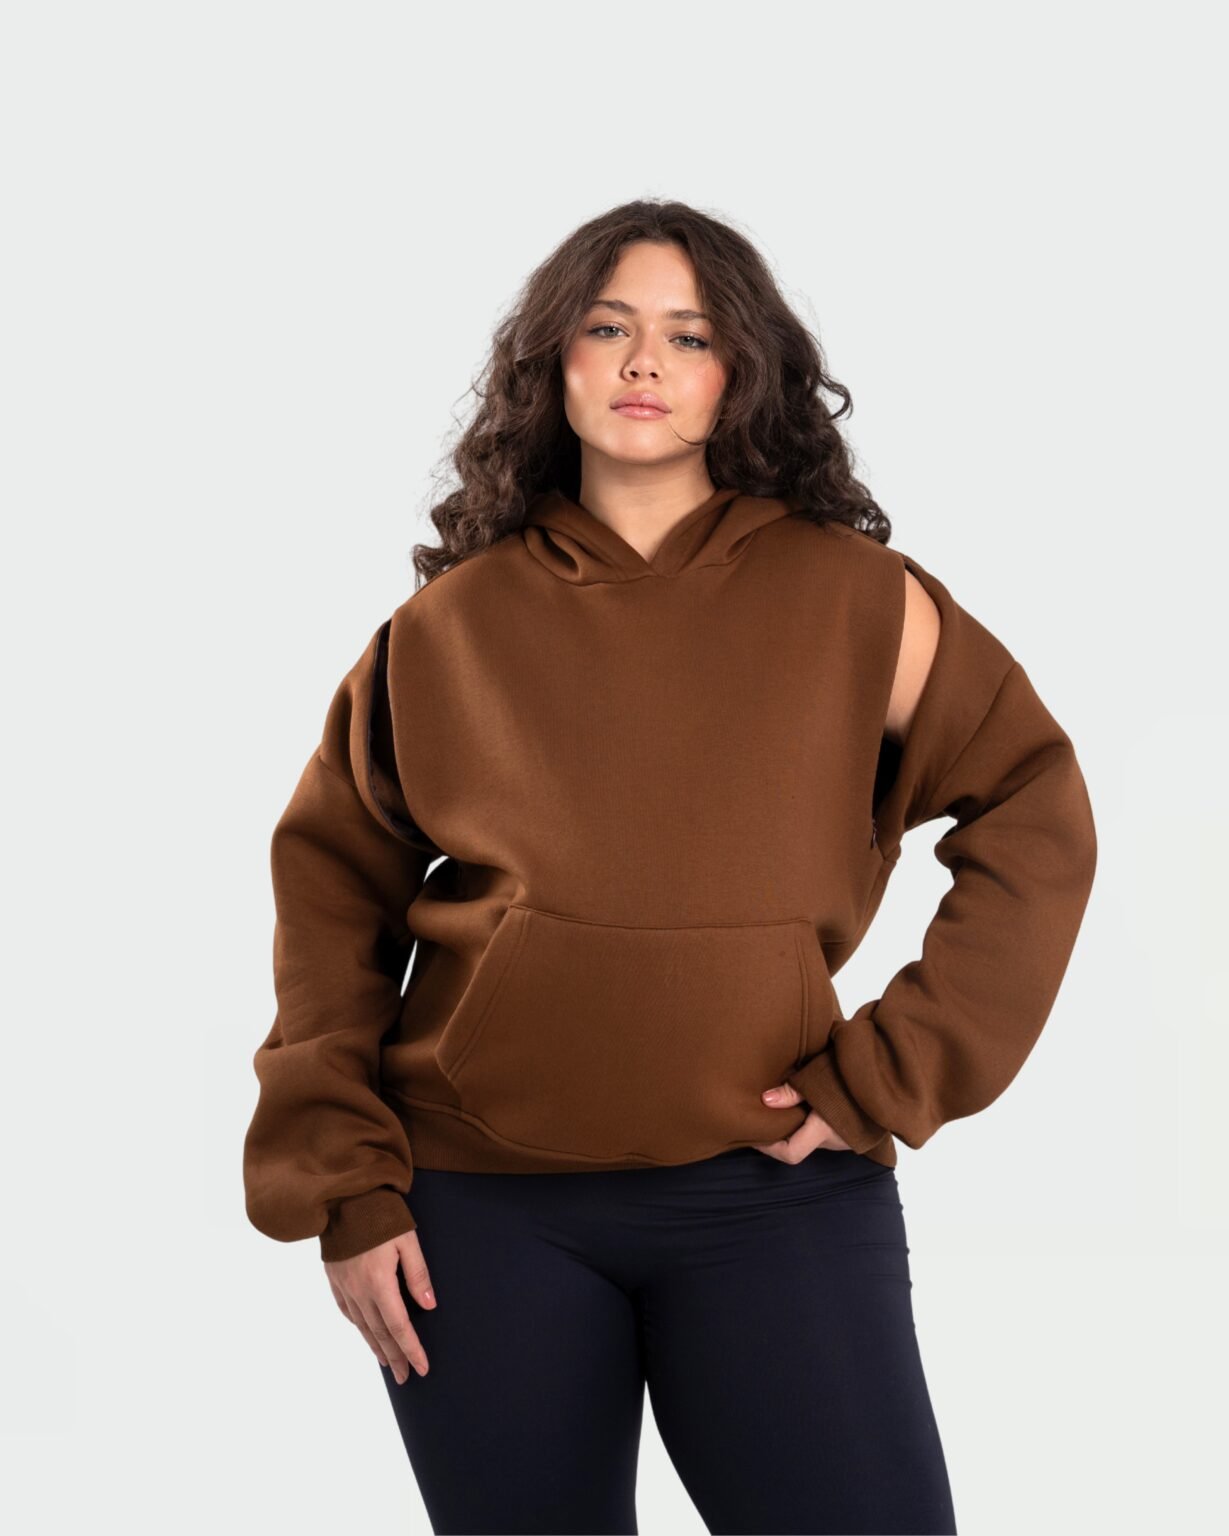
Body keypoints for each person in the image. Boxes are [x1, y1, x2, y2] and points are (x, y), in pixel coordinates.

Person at [243, 199, 1097, 1536]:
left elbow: (1034, 807)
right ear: (555, 363)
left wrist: (893, 1070)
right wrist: (343, 1183)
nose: (644, 361)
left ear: (738, 373)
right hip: (480, 1213)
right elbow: (331, 900)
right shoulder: (445, 627)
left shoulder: (858, 599)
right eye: (608, 327)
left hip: (773, 1188)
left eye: (688, 335)